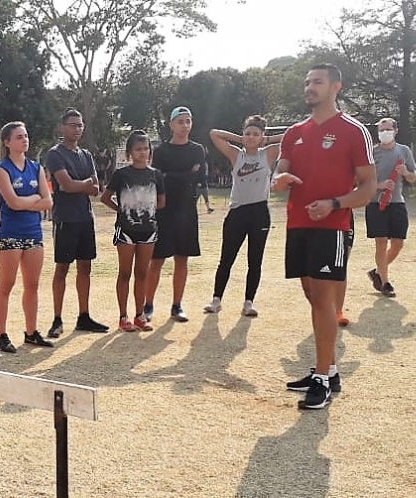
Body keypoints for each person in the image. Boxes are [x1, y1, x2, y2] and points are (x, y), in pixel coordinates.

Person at [274, 63, 377, 410]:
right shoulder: (294, 132)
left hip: (332, 227)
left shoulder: (353, 131)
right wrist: (279, 179)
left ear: (336, 86)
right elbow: (281, 169)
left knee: (323, 297)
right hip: (297, 223)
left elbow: (368, 188)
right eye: (307, 82)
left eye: (317, 82)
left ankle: (322, 377)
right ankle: (328, 369)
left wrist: (335, 203)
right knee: (313, 295)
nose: (309, 87)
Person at [204, 116, 281, 317]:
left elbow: (293, 136)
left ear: (262, 136)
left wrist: (266, 140)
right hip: (237, 212)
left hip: (259, 212)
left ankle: (248, 302)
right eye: (247, 133)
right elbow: (214, 134)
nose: (251, 137)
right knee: (226, 258)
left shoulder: (268, 154)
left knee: (254, 260)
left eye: (255, 134)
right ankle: (216, 299)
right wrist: (240, 139)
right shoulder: (236, 155)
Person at [45, 109, 109, 338]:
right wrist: (83, 184)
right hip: (65, 218)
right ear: (62, 128)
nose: (77, 129)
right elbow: (66, 186)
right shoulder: (55, 154)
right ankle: (57, 319)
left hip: (85, 218)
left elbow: (96, 189)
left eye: (80, 125)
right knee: (62, 268)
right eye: (73, 125)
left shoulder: (87, 155)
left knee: (85, 267)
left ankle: (84, 316)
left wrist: (78, 185)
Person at [0, 121, 55, 352]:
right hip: (11, 233)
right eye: (19, 137)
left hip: (33, 233)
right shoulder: (2, 169)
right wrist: (33, 201)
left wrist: (27, 202)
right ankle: (0, 334)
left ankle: (31, 332)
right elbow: (13, 203)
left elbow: (49, 201)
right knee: (6, 284)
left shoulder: (36, 167)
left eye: (26, 136)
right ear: (7, 142)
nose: (24, 140)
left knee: (32, 284)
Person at [142, 106, 206, 323]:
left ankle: (177, 305)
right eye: (180, 121)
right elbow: (159, 179)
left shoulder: (198, 150)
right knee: (157, 260)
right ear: (171, 125)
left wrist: (174, 176)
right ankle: (148, 305)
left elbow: (198, 178)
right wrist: (186, 174)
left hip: (187, 210)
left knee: (182, 259)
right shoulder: (160, 152)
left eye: (188, 121)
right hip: (164, 210)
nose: (185, 125)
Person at [99, 130, 165, 331]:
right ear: (129, 153)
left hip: (149, 231)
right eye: (138, 149)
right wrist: (122, 210)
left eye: (146, 149)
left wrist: (146, 209)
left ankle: (139, 315)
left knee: (142, 273)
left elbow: (162, 202)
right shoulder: (121, 175)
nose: (142, 152)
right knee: (125, 273)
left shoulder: (156, 175)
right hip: (126, 230)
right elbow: (105, 197)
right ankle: (123, 317)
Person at [365, 117, 416, 298]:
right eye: (381, 130)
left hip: (396, 203)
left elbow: (413, 177)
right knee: (381, 243)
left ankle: (377, 272)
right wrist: (380, 185)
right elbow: (362, 180)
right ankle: (385, 283)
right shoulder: (371, 153)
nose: (384, 133)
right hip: (376, 204)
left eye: (388, 129)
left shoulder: (404, 151)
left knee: (397, 244)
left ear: (395, 131)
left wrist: (406, 173)